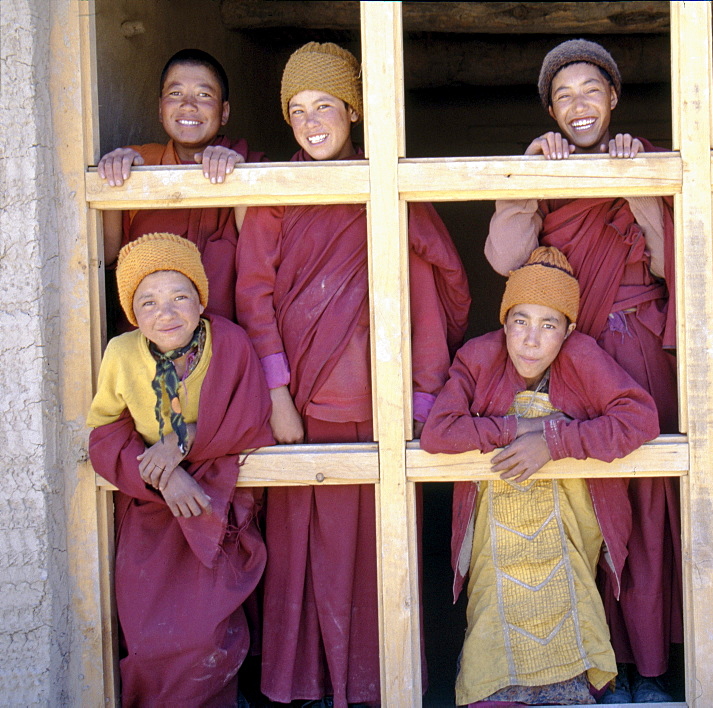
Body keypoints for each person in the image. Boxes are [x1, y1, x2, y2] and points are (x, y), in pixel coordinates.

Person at [235, 42, 470, 706]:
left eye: (327, 106)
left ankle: (376, 686)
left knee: (380, 554)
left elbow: (434, 288)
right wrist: (277, 395)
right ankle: (304, 686)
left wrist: (423, 399)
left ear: (354, 112)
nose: (313, 123)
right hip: (302, 407)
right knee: (303, 554)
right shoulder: (277, 190)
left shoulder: (387, 184)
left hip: (382, 404)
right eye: (299, 110)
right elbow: (253, 296)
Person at [484, 38, 680, 703]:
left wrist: (642, 181)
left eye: (591, 90)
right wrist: (527, 174)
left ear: (615, 98)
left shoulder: (646, 159)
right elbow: (506, 258)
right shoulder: (544, 168)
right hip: (567, 358)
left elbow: (674, 260)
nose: (579, 105)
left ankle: (651, 668)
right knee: (580, 505)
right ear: (550, 109)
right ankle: (586, 666)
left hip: (635, 350)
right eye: (564, 95)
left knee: (645, 503)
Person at [421, 246, 660, 706]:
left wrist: (553, 443)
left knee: (571, 603)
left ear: (568, 331)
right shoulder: (479, 357)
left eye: (549, 325)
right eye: (520, 321)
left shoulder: (582, 356)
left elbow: (640, 419)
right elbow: (438, 433)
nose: (531, 340)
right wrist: (515, 429)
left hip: (566, 531)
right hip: (497, 541)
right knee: (494, 611)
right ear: (504, 321)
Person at [87, 232, 274, 706]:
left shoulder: (228, 342)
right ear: (131, 311)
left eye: (179, 297)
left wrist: (181, 439)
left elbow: (250, 417)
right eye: (147, 302)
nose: (165, 313)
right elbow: (105, 432)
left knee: (207, 638)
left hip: (214, 509)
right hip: (151, 512)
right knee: (149, 640)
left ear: (200, 300)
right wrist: (166, 474)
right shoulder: (120, 353)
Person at [98, 49, 265, 324]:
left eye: (204, 95)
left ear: (224, 112)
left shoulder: (249, 164)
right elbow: (103, 256)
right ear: (160, 109)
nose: (188, 105)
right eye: (176, 94)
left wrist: (241, 177)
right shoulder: (138, 165)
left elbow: (260, 252)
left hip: (225, 343)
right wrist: (114, 179)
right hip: (148, 344)